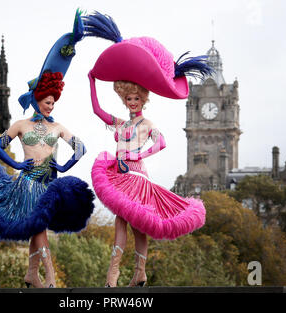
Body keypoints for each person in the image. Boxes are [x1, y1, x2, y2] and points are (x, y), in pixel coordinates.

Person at [83, 12, 210, 287]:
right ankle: (121, 275)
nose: (131, 102)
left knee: (138, 225)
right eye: (128, 98)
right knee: (123, 223)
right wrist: (92, 81)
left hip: (137, 177)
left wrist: (140, 155)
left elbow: (161, 143)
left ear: (143, 98)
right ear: (124, 97)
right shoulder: (120, 123)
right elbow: (97, 110)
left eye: (135, 98)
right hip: (120, 175)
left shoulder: (146, 123)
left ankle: (132, 274)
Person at [0, 10, 94, 288]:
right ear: (38, 100)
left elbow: (81, 148)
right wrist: (15, 166)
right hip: (27, 184)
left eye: (53, 102)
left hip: (49, 183)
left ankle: (31, 275)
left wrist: (63, 167)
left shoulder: (57, 127)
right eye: (47, 101)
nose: (50, 105)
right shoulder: (21, 125)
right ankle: (49, 278)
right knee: (38, 229)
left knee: (38, 229)